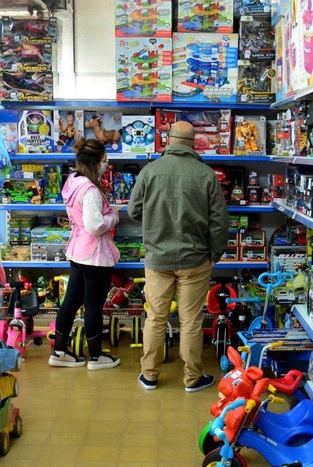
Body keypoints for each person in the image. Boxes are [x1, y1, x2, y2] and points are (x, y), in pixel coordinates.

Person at [128, 121, 229, 392]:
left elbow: (133, 211)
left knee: (155, 318)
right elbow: (220, 223)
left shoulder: (150, 171)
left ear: (168, 141)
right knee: (191, 321)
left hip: (157, 259)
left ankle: (149, 375)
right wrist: (214, 254)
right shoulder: (206, 175)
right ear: (193, 144)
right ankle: (192, 378)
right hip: (195, 260)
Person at [49, 138, 121, 370]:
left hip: (78, 250)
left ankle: (59, 352)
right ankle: (96, 357)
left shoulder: (73, 181)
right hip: (95, 255)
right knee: (93, 306)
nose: (105, 165)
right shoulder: (90, 190)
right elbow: (95, 225)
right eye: (104, 161)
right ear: (95, 162)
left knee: (70, 302)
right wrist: (113, 217)